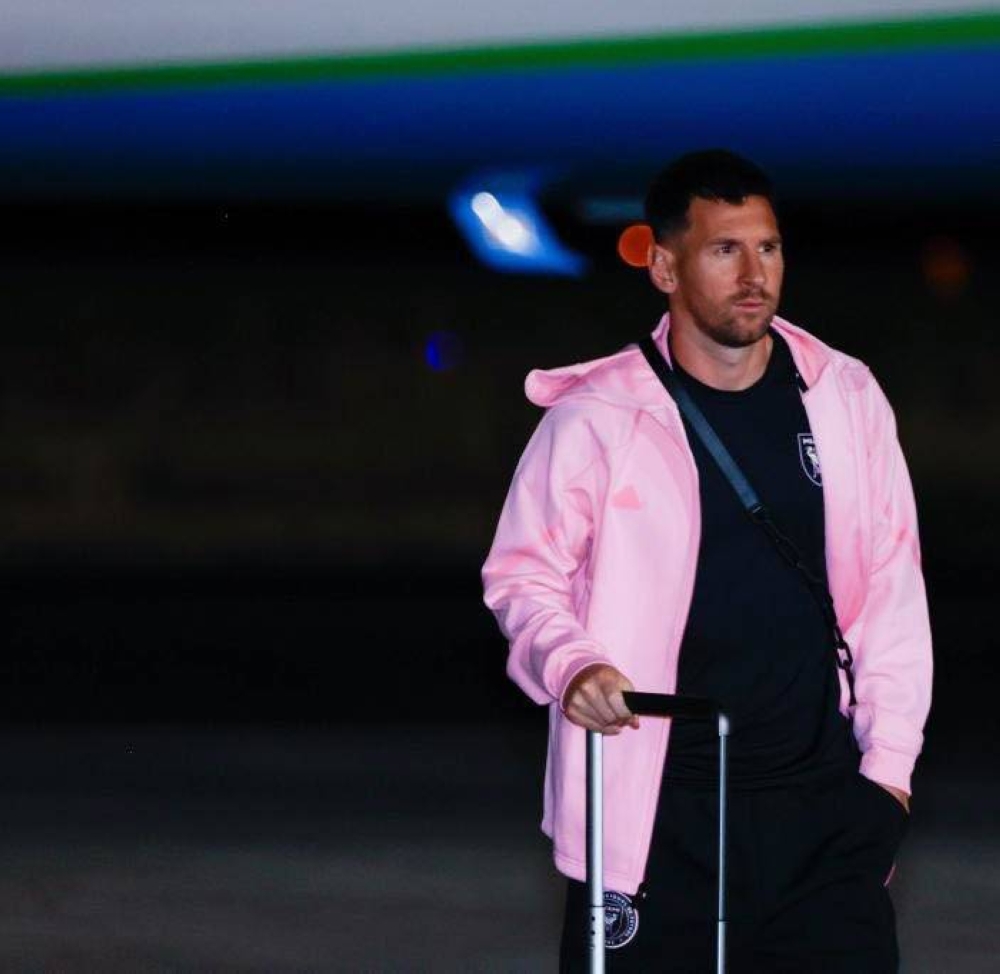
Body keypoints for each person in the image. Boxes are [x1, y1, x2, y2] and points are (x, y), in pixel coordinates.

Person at [480, 149, 932, 972]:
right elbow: (521, 575)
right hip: (654, 821)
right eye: (725, 250)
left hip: (824, 814)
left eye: (769, 248)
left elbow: (894, 588)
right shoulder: (599, 416)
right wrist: (572, 664)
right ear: (664, 266)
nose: (755, 274)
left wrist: (888, 780)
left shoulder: (846, 394)